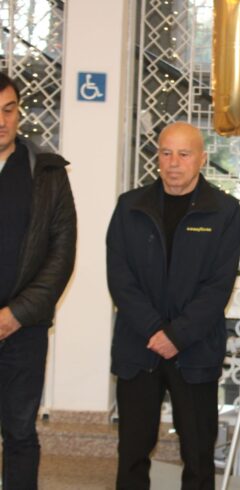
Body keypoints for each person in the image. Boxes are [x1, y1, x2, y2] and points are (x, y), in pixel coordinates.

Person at [106, 121, 240, 490]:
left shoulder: (224, 211)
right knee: (132, 452)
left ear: (202, 158)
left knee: (198, 455)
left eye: (184, 154)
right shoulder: (130, 207)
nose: (173, 162)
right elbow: (120, 278)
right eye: (166, 153)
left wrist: (177, 335)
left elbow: (218, 286)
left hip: (195, 350)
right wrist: (155, 330)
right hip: (139, 346)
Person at [0, 72, 77, 489]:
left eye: (8, 110)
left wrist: (17, 314)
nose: (1, 121)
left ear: (19, 113)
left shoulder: (46, 173)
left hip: (23, 329)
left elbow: (61, 254)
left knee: (19, 432)